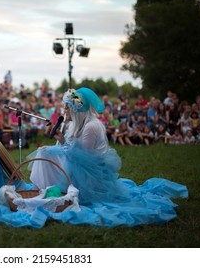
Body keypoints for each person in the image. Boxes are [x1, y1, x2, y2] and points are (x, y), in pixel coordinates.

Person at [26, 87, 188, 226]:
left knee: (49, 154)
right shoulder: (75, 124)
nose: (64, 111)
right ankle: (40, 188)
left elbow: (84, 158)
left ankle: (47, 190)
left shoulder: (91, 127)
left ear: (77, 109)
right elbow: (71, 151)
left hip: (92, 172)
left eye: (67, 107)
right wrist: (58, 144)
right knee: (44, 151)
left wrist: (62, 142)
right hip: (79, 164)